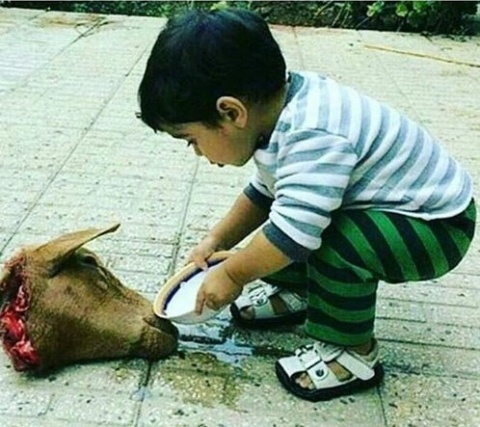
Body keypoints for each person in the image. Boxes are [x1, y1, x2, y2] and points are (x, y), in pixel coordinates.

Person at [137, 8, 476, 402]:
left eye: (191, 140)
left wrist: (233, 273)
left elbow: (291, 236)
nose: (196, 152)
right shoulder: (277, 115)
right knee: (292, 221)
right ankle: (301, 292)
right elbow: (265, 195)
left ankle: (353, 353)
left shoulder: (313, 133)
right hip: (402, 213)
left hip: (437, 227)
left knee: (332, 241)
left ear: (231, 112)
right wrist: (217, 240)